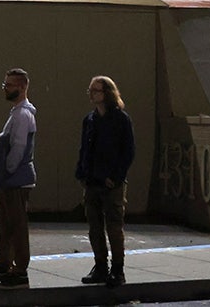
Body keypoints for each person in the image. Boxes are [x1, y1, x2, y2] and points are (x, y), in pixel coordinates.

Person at [76, 75, 136, 288]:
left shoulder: (120, 119)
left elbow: (128, 152)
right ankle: (100, 267)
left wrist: (116, 177)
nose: (91, 94)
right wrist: (81, 173)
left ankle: (117, 270)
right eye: (90, 90)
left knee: (114, 227)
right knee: (94, 228)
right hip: (92, 181)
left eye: (96, 90)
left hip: (111, 184)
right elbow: (84, 148)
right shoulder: (90, 119)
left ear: (107, 94)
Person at [0, 68, 37, 290]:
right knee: (6, 227)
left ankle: (19, 270)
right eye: (5, 84)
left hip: (16, 180)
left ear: (23, 87)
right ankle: (3, 266)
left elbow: (18, 147)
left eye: (9, 85)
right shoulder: (16, 113)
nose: (5, 88)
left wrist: (8, 170)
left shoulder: (23, 115)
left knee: (16, 227)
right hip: (10, 180)